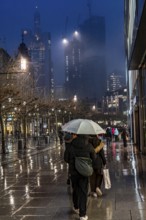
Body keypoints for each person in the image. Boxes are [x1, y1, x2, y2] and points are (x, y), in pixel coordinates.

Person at [64, 134, 96, 220]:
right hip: (84, 172)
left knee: (75, 189)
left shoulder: (70, 145)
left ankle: (76, 206)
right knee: (83, 192)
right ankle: (82, 214)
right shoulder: (89, 145)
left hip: (73, 172)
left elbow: (66, 158)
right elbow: (94, 157)